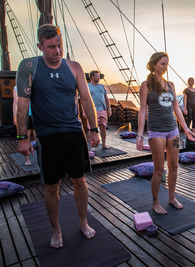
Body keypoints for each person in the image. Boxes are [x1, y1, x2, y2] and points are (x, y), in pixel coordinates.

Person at [16, 24, 100, 249]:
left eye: (59, 45)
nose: (57, 51)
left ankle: (83, 221)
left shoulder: (74, 67)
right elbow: (22, 105)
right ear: (40, 46)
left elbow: (85, 99)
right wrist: (22, 137)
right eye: (51, 47)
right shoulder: (29, 66)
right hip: (48, 135)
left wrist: (93, 130)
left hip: (74, 132)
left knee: (80, 180)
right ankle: (56, 229)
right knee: (51, 186)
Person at [136, 52, 195, 215]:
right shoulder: (146, 85)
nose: (165, 67)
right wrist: (140, 135)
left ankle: (171, 197)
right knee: (159, 169)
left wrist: (186, 128)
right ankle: (155, 202)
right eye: (162, 64)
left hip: (173, 130)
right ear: (154, 64)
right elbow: (142, 111)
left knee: (174, 166)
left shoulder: (171, 85)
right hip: (156, 132)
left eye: (167, 64)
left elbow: (176, 109)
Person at [87, 70, 112, 150]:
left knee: (103, 127)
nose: (99, 77)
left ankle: (104, 144)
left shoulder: (101, 86)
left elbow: (106, 98)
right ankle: (93, 146)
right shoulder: (87, 86)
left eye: (99, 76)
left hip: (102, 110)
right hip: (92, 111)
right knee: (92, 129)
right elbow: (84, 100)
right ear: (92, 77)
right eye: (97, 76)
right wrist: (85, 111)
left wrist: (109, 108)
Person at [13, 87, 36, 166]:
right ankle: (27, 159)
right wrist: (15, 116)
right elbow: (15, 102)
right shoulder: (16, 87)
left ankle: (41, 158)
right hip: (24, 116)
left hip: (36, 114)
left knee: (38, 138)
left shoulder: (34, 84)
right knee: (27, 138)